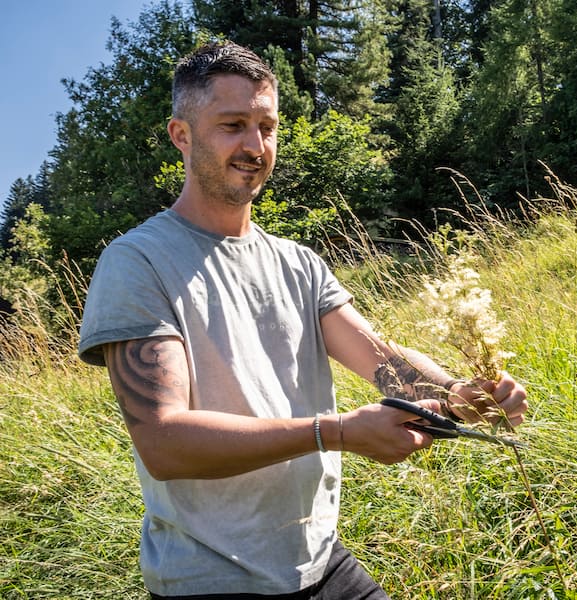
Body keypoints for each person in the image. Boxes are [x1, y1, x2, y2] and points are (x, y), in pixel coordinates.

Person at [77, 42, 527, 599]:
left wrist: (459, 393)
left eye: (267, 126)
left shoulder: (298, 262)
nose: (254, 145)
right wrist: (333, 432)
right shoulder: (138, 262)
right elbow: (165, 443)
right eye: (232, 125)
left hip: (318, 560)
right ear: (182, 135)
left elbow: (383, 363)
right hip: (212, 578)